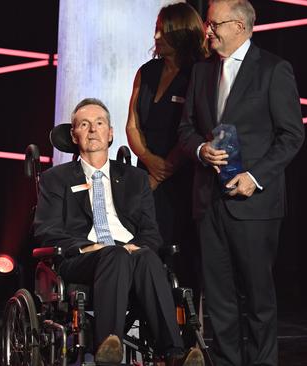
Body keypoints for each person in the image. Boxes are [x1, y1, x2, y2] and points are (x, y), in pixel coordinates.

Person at [177, 1, 305, 365]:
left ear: (239, 26)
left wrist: (255, 176)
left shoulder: (273, 70)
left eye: (214, 24)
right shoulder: (201, 73)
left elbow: (291, 135)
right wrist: (201, 149)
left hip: (253, 204)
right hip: (208, 202)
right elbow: (185, 129)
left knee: (257, 297)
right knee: (219, 299)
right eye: (208, 24)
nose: (208, 31)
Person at [33, 98, 203, 365]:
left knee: (147, 256)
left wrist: (136, 246)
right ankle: (107, 346)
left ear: (110, 132)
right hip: (83, 258)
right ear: (74, 135)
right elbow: (47, 229)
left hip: (130, 253)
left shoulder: (135, 178)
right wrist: (89, 247)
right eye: (84, 124)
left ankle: (173, 353)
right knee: (115, 255)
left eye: (99, 123)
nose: (92, 130)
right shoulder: (56, 179)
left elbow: (150, 230)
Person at [125, 2, 208, 331]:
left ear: (184, 33)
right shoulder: (146, 71)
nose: (156, 35)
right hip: (146, 177)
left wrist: (165, 169)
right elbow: (132, 124)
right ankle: (152, 330)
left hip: (183, 180)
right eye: (156, 28)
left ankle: (187, 333)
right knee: (148, 253)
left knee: (183, 257)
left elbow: (198, 125)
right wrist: (149, 162)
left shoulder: (199, 73)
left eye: (165, 29)